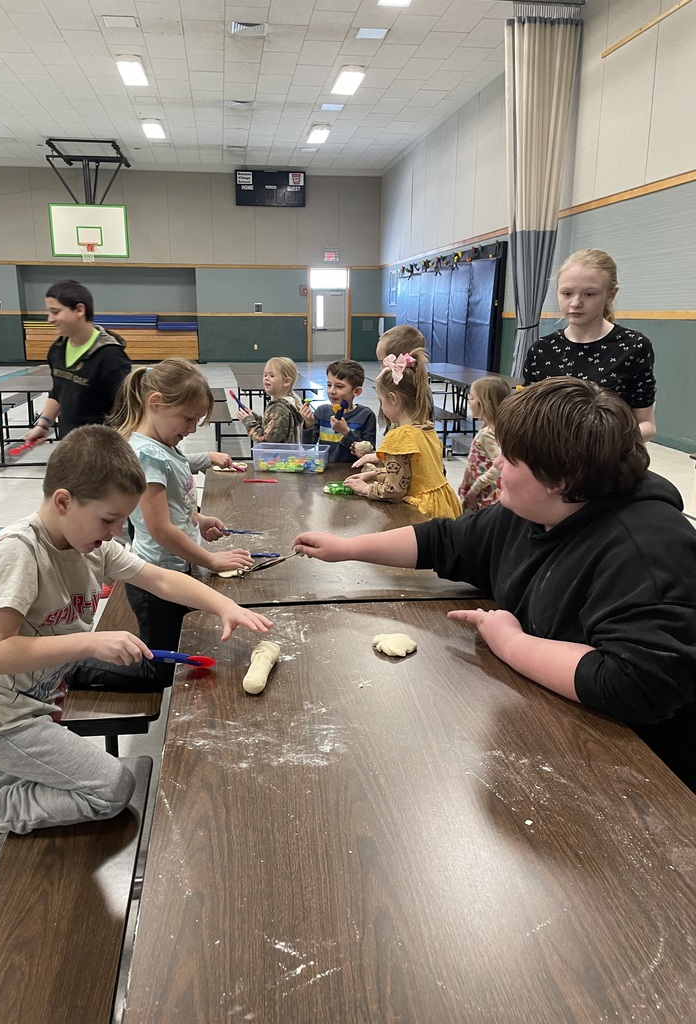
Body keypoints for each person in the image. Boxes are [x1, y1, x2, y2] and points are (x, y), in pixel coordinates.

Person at [0, 425, 272, 917]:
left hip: (33, 706)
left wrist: (221, 604)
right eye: (109, 519)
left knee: (10, 811)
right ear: (64, 501)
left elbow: (158, 577)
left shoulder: (94, 545)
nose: (115, 534)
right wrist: (91, 642)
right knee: (112, 788)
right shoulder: (19, 552)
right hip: (2, 719)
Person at [293, 377, 696, 793]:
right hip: (549, 716)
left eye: (512, 459)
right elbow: (447, 541)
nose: (497, 464)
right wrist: (347, 548)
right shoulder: (533, 509)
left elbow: (637, 683)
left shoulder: (646, 550)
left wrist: (511, 644)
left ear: (559, 480)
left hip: (638, 770)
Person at [69, 359, 254, 692]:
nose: (194, 427)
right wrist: (211, 559)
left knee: (182, 646)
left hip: (175, 570)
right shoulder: (147, 456)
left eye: (197, 420)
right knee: (159, 672)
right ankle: (71, 668)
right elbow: (158, 527)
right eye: (188, 418)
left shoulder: (166, 447)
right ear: (155, 404)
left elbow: (171, 509)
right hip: (155, 580)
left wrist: (198, 519)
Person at [523, 249, 657, 441]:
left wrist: (599, 443)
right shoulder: (542, 349)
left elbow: (647, 425)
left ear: (610, 294)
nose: (576, 303)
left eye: (589, 294)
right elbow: (528, 416)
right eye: (567, 293)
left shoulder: (633, 347)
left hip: (607, 462)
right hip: (551, 463)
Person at [345, 349, 462, 520]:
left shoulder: (399, 437)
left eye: (381, 401)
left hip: (421, 512)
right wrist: (372, 475)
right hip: (442, 505)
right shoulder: (426, 428)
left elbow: (395, 490)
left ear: (393, 399)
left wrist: (366, 489)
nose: (382, 408)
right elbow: (411, 474)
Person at [24, 279, 131, 442]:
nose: (50, 319)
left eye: (55, 311)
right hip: (70, 444)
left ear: (79, 310)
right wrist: (43, 425)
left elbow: (128, 411)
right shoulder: (57, 350)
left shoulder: (110, 356)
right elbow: (59, 391)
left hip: (103, 448)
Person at [300, 358, 377, 463]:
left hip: (354, 473)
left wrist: (346, 432)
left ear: (356, 391)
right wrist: (308, 424)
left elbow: (368, 453)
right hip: (326, 471)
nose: (332, 391)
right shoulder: (322, 412)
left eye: (339, 386)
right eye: (329, 385)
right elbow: (307, 446)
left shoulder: (366, 415)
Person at [458, 376, 511, 513]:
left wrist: (474, 489)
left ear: (484, 403)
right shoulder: (493, 428)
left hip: (485, 495)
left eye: (472, 398)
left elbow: (499, 466)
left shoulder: (488, 433)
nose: (469, 402)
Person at [237, 357, 304, 444]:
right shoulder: (292, 401)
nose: (266, 378)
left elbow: (265, 440)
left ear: (286, 382)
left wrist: (249, 422)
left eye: (272, 376)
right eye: (265, 375)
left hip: (278, 457)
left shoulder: (278, 409)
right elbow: (273, 427)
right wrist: (255, 418)